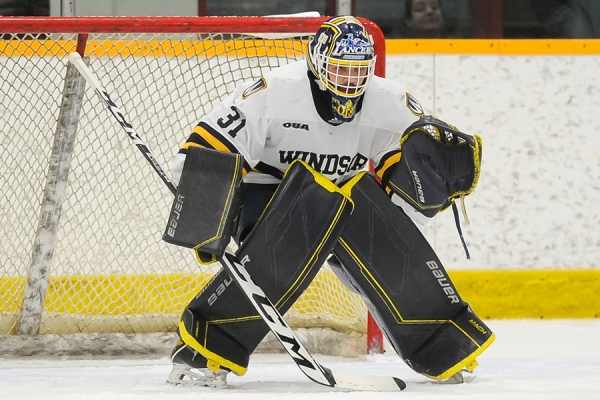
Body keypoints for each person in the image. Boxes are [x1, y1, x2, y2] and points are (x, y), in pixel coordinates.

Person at [165, 16, 492, 389]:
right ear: (317, 64)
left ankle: (441, 345)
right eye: (340, 70)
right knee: (292, 236)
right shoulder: (273, 92)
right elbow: (205, 150)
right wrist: (204, 216)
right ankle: (203, 352)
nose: (350, 82)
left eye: (359, 72)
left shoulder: (390, 103)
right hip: (268, 191)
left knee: (386, 241)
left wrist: (422, 200)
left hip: (343, 197)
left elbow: (409, 180)